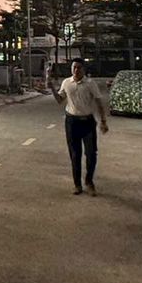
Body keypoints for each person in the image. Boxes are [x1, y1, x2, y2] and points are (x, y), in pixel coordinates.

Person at [50, 58, 109, 196]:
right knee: (75, 154)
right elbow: (60, 100)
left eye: (79, 67)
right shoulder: (66, 82)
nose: (76, 70)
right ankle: (77, 184)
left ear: (84, 69)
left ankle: (89, 181)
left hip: (87, 122)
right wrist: (51, 87)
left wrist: (103, 121)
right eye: (74, 67)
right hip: (72, 122)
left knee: (91, 153)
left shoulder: (90, 84)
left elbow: (99, 103)